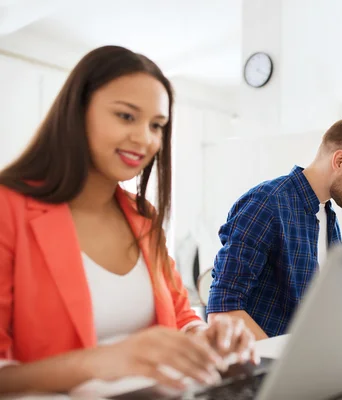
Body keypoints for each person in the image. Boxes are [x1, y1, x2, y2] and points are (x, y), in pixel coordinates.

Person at [0, 45, 257, 394]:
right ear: (77, 111)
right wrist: (104, 360)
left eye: (157, 125)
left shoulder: (142, 216)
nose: (145, 139)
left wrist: (205, 336)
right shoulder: (8, 208)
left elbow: (181, 317)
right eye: (126, 116)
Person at [207, 117, 342, 339]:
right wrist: (281, 364)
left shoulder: (328, 217)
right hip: (265, 367)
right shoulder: (267, 203)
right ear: (340, 160)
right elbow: (223, 310)